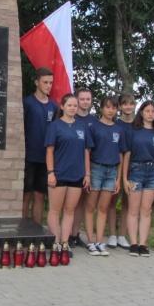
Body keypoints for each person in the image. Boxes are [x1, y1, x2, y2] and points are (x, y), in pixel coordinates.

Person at [45, 93, 91, 258]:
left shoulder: (82, 127)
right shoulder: (55, 126)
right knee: (55, 210)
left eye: (75, 105)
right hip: (58, 174)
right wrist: (50, 172)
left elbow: (86, 151)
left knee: (70, 210)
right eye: (69, 105)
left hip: (77, 175)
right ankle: (55, 242)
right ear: (62, 107)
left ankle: (65, 243)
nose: (73, 108)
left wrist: (87, 173)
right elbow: (49, 151)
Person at [124, 100, 154, 257]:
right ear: (141, 112)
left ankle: (143, 244)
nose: (150, 114)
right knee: (133, 210)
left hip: (152, 174)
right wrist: (124, 178)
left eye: (153, 111)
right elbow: (127, 156)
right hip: (136, 171)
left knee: (146, 210)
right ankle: (134, 243)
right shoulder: (133, 131)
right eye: (147, 110)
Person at [84, 96, 126, 256]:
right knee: (90, 207)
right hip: (96, 169)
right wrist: (87, 173)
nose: (111, 110)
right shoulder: (93, 126)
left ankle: (100, 241)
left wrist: (118, 178)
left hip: (111, 171)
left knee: (103, 208)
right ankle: (90, 241)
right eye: (108, 107)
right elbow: (87, 151)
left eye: (114, 108)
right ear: (101, 108)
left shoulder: (119, 129)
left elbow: (121, 155)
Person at [22, 67, 57, 225]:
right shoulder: (27, 103)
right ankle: (21, 228)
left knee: (39, 195)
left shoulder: (54, 107)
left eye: (51, 82)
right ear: (37, 82)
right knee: (26, 193)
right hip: (28, 156)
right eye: (45, 82)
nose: (48, 85)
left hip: (46, 158)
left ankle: (35, 229)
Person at [107, 93, 136, 249]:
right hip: (116, 167)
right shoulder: (116, 125)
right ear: (120, 106)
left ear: (134, 105)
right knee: (112, 201)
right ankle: (111, 234)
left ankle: (122, 236)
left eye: (131, 103)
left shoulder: (138, 125)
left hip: (134, 169)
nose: (128, 107)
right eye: (125, 104)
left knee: (128, 203)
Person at [69, 87, 95, 247]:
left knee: (82, 203)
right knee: (71, 203)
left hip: (90, 166)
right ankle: (65, 234)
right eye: (82, 99)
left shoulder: (94, 120)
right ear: (76, 100)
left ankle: (75, 234)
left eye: (88, 99)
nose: (85, 102)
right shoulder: (71, 117)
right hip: (73, 166)